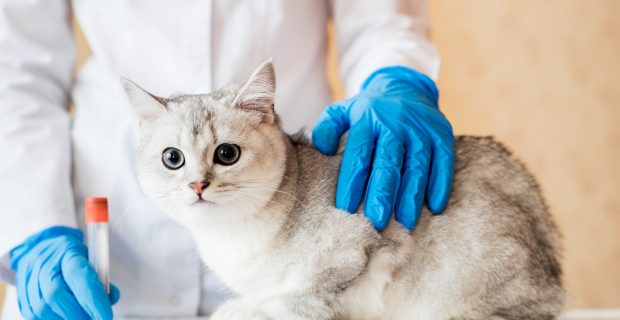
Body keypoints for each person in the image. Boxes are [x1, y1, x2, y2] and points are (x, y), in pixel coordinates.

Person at [0, 0, 454, 318]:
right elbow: (15, 69)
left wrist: (394, 76)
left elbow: (381, 19)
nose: (198, 181)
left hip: (301, 221)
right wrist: (34, 229)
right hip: (114, 237)